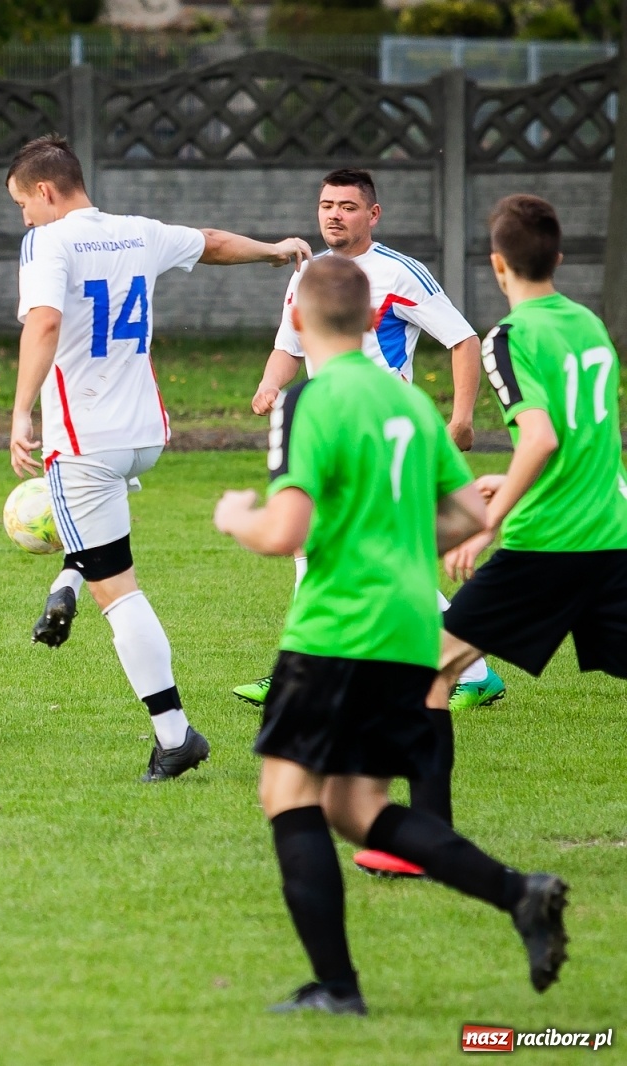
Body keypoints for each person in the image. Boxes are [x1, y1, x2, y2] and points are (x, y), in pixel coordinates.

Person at [214, 254, 568, 1016]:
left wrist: (236, 515)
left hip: (337, 629)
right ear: (373, 319)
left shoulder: (308, 400)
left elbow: (287, 530)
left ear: (299, 320)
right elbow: (469, 516)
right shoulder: (407, 401)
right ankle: (519, 893)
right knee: (354, 807)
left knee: (286, 794)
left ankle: (337, 988)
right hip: (410, 631)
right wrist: (397, 541)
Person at [6, 134, 310, 782]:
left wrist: (21, 409)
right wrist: (274, 250)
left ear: (45, 191)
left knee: (120, 593)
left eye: (22, 204)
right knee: (99, 547)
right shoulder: (136, 230)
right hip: (143, 434)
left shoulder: (47, 242)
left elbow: (45, 323)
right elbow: (212, 242)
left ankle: (175, 737)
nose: (24, 219)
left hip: (86, 439)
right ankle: (66, 582)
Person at [232, 169, 507, 878]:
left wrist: (461, 417)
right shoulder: (309, 276)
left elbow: (463, 339)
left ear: (373, 213)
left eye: (347, 206)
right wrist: (270, 382)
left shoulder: (398, 273)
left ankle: (447, 665)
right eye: (326, 205)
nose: (334, 215)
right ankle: (457, 671)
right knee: (355, 554)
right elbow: (288, 346)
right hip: (337, 429)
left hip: (384, 435)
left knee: (327, 548)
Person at [437, 194, 627, 741]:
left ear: (497, 264)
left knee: (432, 669)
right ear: (557, 259)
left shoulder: (509, 337)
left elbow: (541, 438)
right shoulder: (588, 323)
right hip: (611, 534)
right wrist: (517, 478)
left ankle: (420, 794)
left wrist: (488, 523)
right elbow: (587, 437)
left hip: (548, 542)